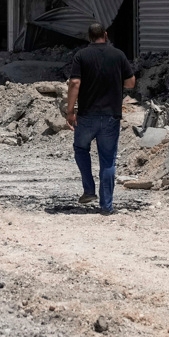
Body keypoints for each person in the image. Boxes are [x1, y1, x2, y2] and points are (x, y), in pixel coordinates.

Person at [66, 23, 135, 215]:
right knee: (108, 160)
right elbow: (130, 83)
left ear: (89, 37)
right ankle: (106, 206)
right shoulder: (118, 55)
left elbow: (74, 83)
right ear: (105, 35)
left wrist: (70, 111)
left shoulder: (81, 56)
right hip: (111, 116)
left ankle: (89, 190)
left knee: (81, 149)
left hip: (87, 115)